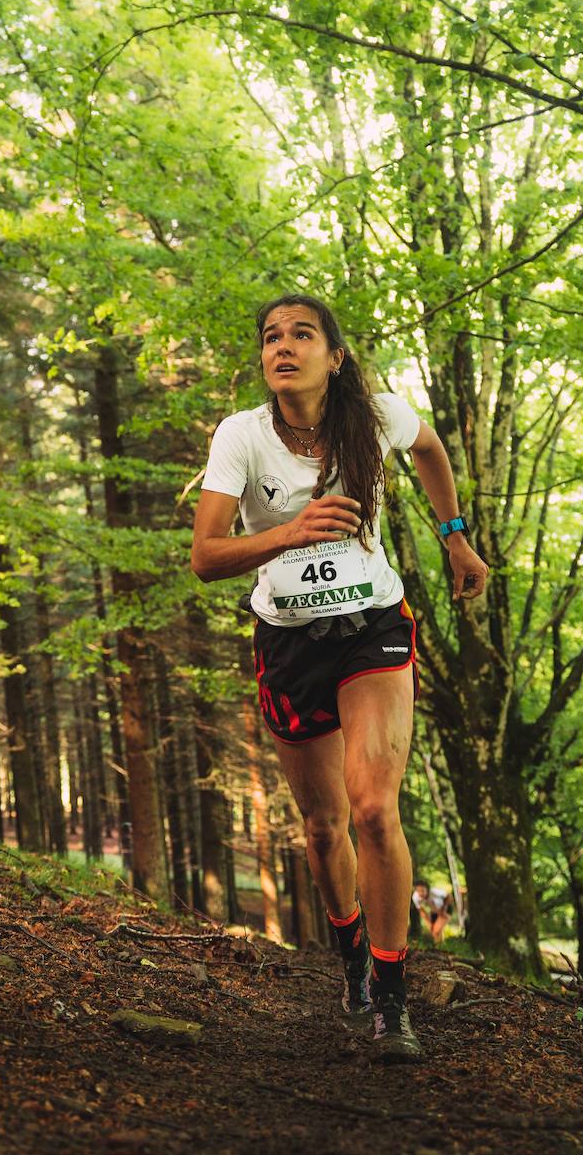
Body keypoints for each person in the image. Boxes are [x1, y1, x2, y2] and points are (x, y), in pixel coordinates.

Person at [191, 295, 489, 1063]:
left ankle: (392, 999)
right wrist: (290, 531)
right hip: (290, 643)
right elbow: (204, 558)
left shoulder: (376, 416)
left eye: (301, 334)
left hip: (373, 630)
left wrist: (455, 537)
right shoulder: (242, 437)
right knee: (325, 829)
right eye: (269, 338)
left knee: (374, 811)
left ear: (336, 355)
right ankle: (350, 950)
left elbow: (429, 450)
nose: (282, 347)